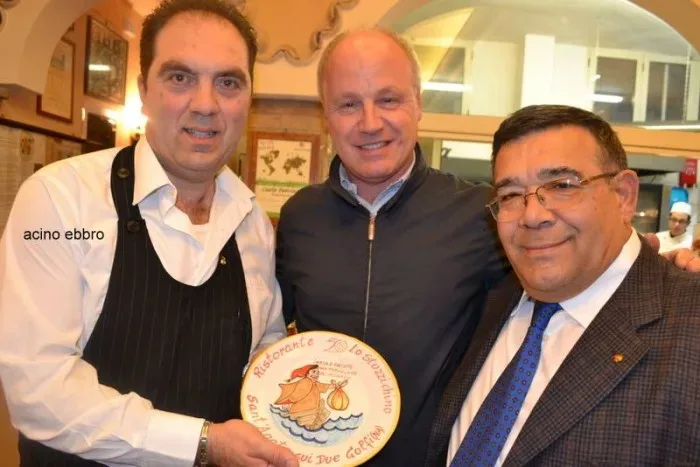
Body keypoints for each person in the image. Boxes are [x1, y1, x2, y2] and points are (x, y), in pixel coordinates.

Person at [0, 1, 297, 466]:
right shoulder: (59, 201)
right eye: (180, 77)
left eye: (228, 82)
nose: (205, 104)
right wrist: (203, 443)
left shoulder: (253, 222)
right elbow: (39, 391)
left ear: (248, 99)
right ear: (144, 90)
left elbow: (263, 352)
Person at [275, 28, 511, 466]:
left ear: (418, 104)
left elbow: (556, 295)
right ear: (326, 115)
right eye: (348, 104)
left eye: (388, 99)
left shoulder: (482, 215)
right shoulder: (299, 217)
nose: (370, 123)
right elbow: (266, 334)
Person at [427, 105, 700, 466]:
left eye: (561, 186)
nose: (532, 215)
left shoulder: (688, 327)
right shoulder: (489, 301)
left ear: (623, 195)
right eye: (510, 195)